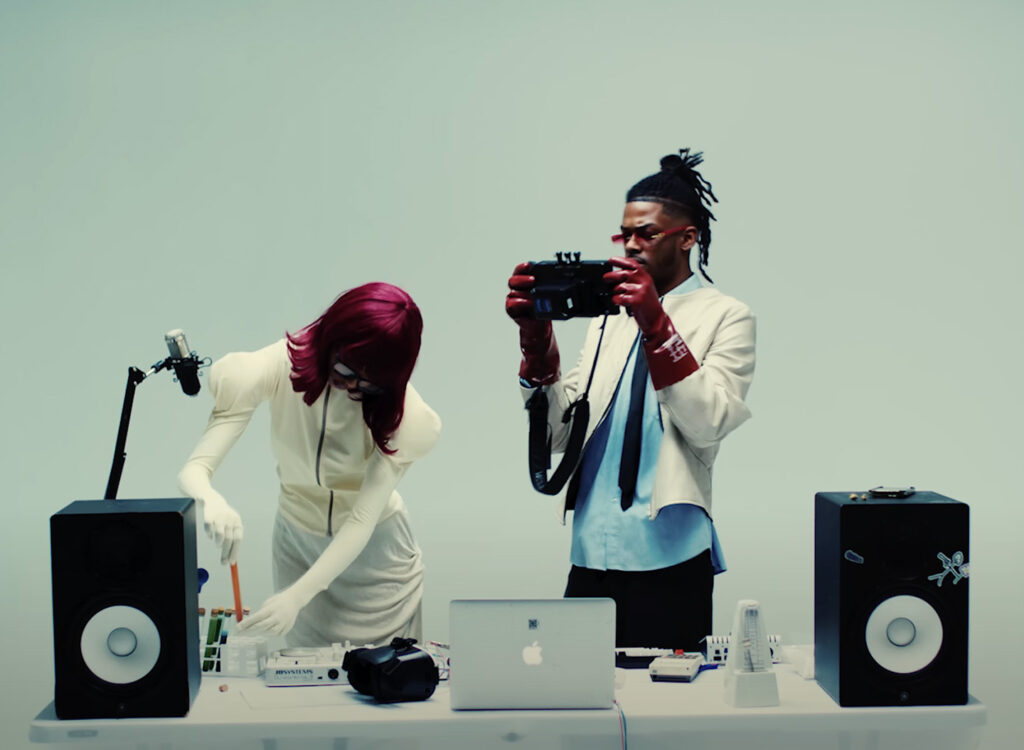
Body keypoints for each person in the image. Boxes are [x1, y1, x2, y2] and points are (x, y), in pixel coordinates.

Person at [505, 149, 756, 650]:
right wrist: (536, 342)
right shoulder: (608, 319)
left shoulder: (728, 315)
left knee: (670, 694)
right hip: (590, 552)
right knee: (577, 688)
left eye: (648, 233)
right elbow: (560, 434)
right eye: (625, 235)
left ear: (688, 238)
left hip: (670, 555)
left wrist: (655, 324)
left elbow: (709, 422)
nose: (632, 245)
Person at [178, 282, 440, 647]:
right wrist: (211, 500)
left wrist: (297, 597)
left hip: (377, 561)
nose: (352, 387)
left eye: (370, 384)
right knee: (303, 676)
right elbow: (193, 470)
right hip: (296, 547)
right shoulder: (274, 365)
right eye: (345, 369)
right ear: (331, 338)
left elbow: (362, 519)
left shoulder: (407, 416)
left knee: (390, 674)